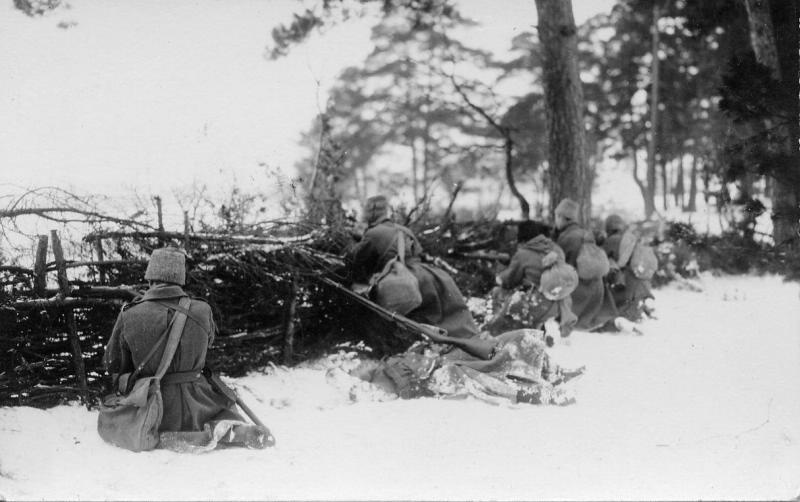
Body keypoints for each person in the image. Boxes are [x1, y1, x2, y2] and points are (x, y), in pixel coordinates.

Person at [103, 247, 274, 452]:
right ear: (180, 278)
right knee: (221, 413)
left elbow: (112, 362)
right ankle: (221, 430)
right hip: (199, 401)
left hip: (153, 406)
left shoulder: (131, 313)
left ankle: (164, 436)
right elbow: (208, 344)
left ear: (150, 278)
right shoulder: (202, 310)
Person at [346, 195, 479, 339]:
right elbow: (418, 253)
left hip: (406, 281)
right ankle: (469, 345)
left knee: (408, 327)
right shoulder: (404, 230)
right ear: (387, 212)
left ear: (368, 213)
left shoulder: (373, 233)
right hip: (432, 276)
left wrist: (355, 239)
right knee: (448, 320)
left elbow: (355, 259)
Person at [346, 328, 585, 406]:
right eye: (357, 368)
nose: (361, 364)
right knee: (489, 377)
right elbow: (404, 390)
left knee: (511, 343)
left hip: (448, 362)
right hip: (445, 373)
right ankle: (542, 390)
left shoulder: (390, 363)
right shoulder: (386, 372)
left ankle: (552, 373)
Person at [485, 220, 578, 339]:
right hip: (560, 303)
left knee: (497, 293)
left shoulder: (523, 253)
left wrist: (499, 273)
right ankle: (537, 335)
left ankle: (491, 332)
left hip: (537, 303)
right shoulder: (557, 249)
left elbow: (509, 280)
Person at [553, 198, 621, 332]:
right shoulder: (585, 233)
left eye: (556, 216)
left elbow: (562, 268)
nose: (555, 220)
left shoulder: (567, 237)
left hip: (579, 292)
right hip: (597, 291)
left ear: (562, 217)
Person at [602, 214, 655, 321]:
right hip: (641, 284)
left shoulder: (611, 241)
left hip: (626, 284)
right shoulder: (631, 239)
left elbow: (601, 261)